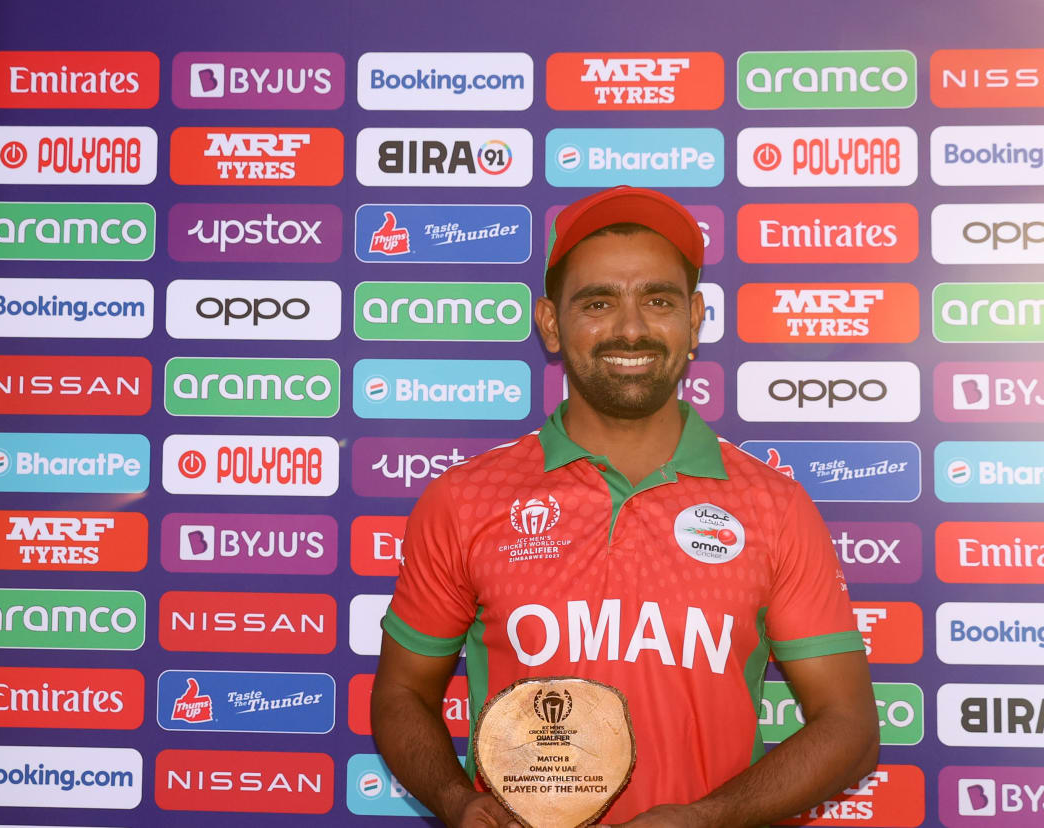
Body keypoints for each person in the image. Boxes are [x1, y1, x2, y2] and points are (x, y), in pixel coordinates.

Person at [371, 185, 879, 827]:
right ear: (551, 324)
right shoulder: (466, 499)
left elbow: (851, 728)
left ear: (695, 320)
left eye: (658, 300)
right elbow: (402, 692)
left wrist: (708, 818)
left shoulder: (772, 506)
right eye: (599, 302)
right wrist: (454, 800)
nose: (631, 328)